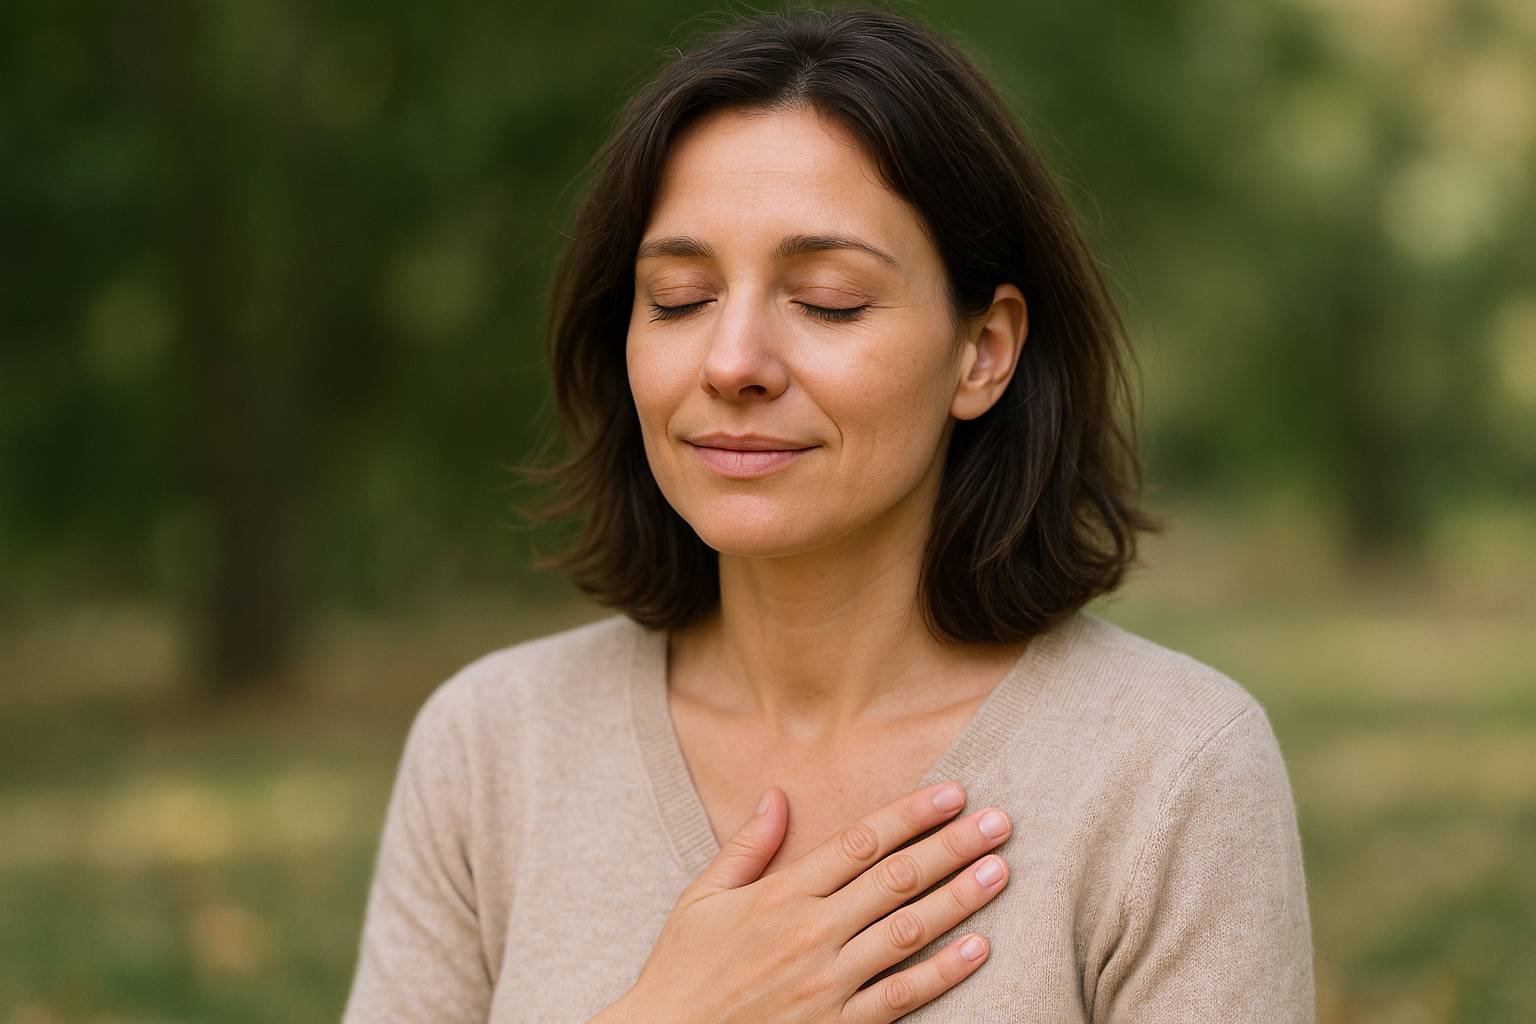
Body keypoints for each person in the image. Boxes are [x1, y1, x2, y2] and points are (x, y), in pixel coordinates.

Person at [342, 6, 1314, 1022]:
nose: (732, 363)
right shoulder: (491, 746)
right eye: (678, 298)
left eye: (829, 300)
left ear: (983, 350)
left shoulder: (1170, 769)